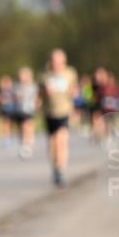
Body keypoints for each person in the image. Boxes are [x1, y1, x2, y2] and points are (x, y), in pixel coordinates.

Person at [39, 49, 78, 187]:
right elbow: (40, 93)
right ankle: (55, 167)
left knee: (62, 140)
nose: (57, 64)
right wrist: (45, 92)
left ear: (64, 61)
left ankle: (61, 170)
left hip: (64, 111)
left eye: (59, 61)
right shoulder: (45, 75)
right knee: (53, 143)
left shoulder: (70, 73)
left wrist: (73, 93)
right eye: (54, 61)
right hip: (49, 112)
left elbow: (74, 90)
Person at [12, 66, 38, 159]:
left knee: (27, 125)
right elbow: (15, 97)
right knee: (21, 128)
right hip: (19, 110)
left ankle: (28, 144)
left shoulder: (32, 86)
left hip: (29, 110)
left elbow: (35, 97)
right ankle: (23, 143)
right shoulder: (16, 86)